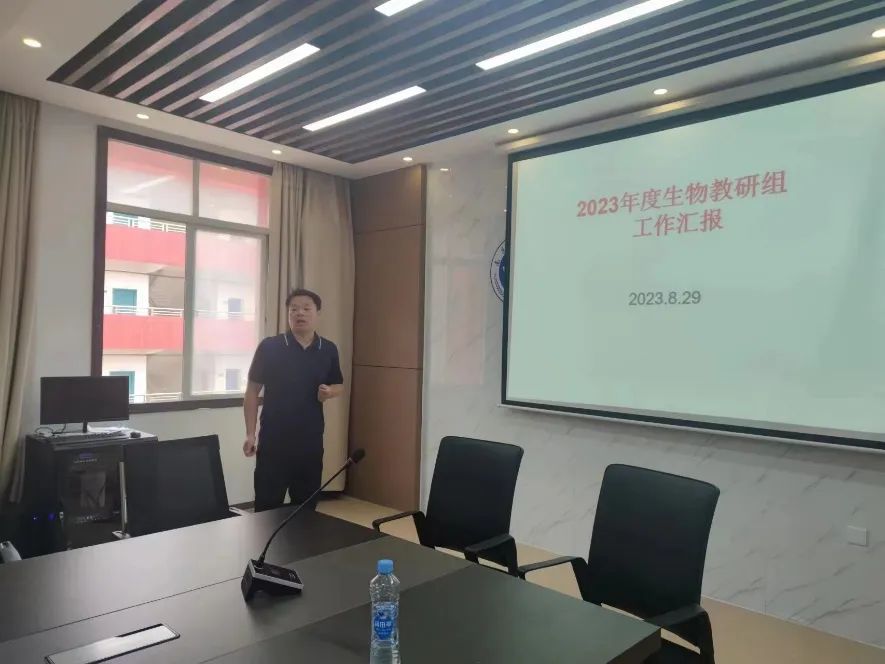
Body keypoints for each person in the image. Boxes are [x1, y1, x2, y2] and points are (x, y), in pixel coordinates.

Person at [243, 289, 344, 511]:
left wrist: (329, 392)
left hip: (310, 442)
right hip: (274, 442)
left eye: (306, 308)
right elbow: (252, 391)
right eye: (294, 309)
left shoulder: (327, 349)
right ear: (288, 314)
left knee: (306, 508)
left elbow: (339, 385)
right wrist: (250, 434)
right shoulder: (270, 347)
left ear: (318, 313)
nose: (300, 313)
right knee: (267, 508)